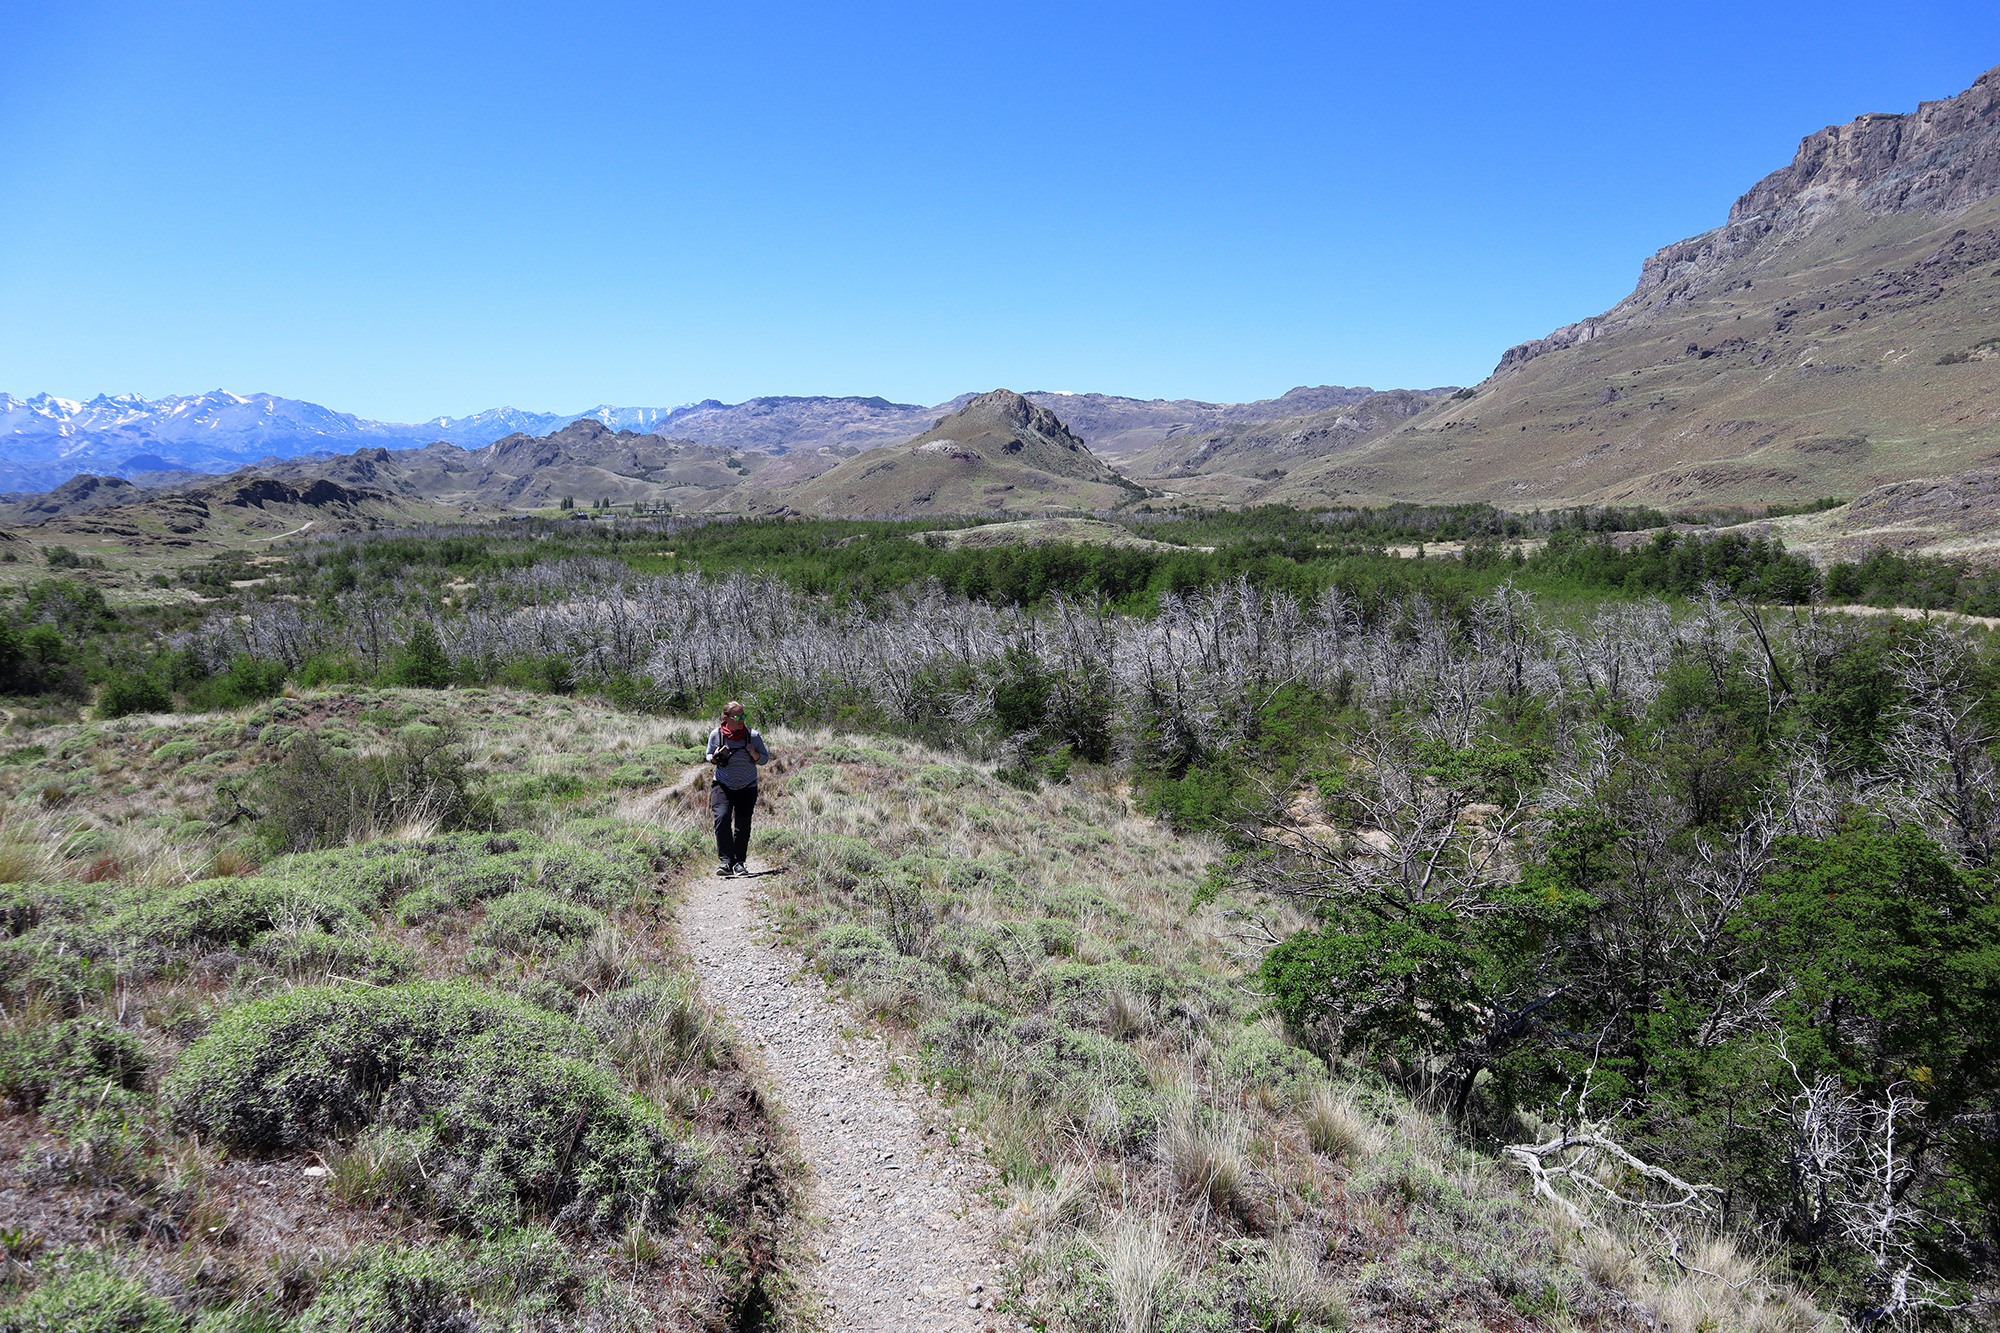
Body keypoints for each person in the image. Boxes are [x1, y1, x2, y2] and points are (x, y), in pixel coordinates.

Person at [706, 700, 771, 876]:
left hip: (747, 785)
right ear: (726, 718)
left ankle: (739, 863)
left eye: (743, 716)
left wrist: (754, 753)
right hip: (722, 784)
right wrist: (717, 756)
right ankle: (726, 862)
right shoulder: (717, 735)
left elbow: (765, 759)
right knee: (722, 818)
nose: (741, 720)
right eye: (737, 716)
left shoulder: (753, 736)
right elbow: (709, 755)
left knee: (743, 825)